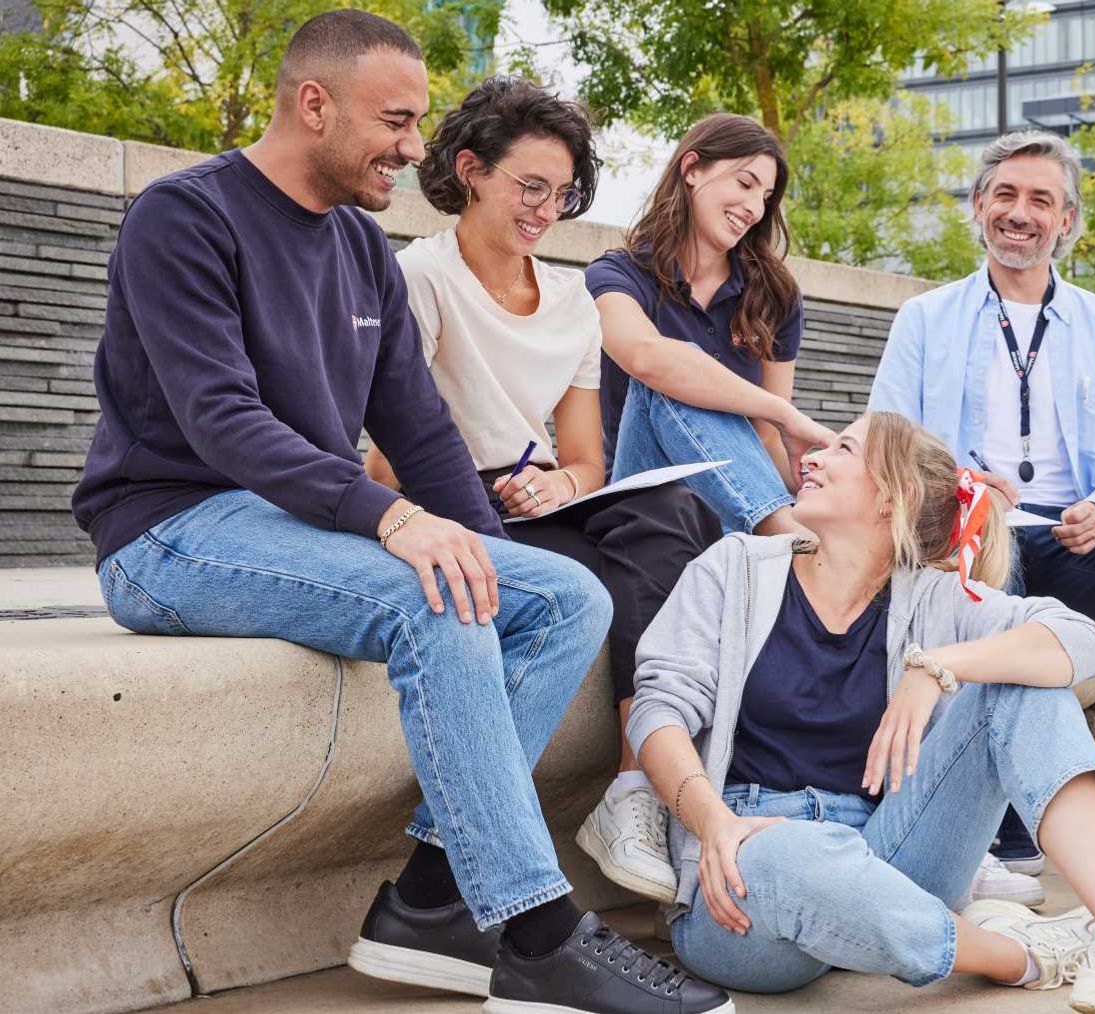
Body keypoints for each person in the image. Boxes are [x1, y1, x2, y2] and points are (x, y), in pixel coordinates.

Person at [72, 12, 729, 1014]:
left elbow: (420, 433)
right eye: (397, 120)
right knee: (435, 600)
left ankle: (428, 896)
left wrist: (494, 558)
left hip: (291, 526)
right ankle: (537, 931)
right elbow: (219, 419)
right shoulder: (185, 217)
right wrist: (391, 520)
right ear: (314, 104)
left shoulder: (359, 247)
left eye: (419, 122)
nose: (416, 147)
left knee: (566, 598)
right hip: (172, 528)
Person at [625, 410, 1095, 1014]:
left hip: (889, 847)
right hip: (740, 884)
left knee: (1019, 685)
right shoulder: (735, 567)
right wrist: (711, 822)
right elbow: (658, 709)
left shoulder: (932, 598)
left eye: (843, 449)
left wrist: (939, 667)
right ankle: (1023, 957)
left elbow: (1083, 644)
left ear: (890, 498)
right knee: (780, 851)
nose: (814, 458)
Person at [362, 76, 723, 906]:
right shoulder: (419, 279)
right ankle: (648, 783)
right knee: (643, 557)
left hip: (539, 505)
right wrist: (483, 483)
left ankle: (642, 780)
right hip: (446, 504)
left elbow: (587, 462)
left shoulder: (573, 301)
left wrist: (555, 481)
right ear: (470, 170)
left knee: (678, 517)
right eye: (531, 186)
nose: (546, 208)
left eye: (562, 194)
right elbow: (384, 463)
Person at [868, 129, 1095, 899]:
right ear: (980, 208)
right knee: (999, 596)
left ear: (1068, 222)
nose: (1021, 213)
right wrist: (955, 480)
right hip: (973, 532)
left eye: (1040, 200)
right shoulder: (926, 319)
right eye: (1005, 195)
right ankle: (1007, 828)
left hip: (1077, 532)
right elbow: (886, 437)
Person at [585, 113, 834, 540]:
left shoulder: (775, 296)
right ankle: (788, 540)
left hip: (738, 502)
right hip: (645, 500)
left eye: (766, 197)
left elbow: (766, 440)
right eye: (745, 184)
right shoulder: (614, 277)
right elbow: (645, 356)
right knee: (670, 368)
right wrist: (785, 416)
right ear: (692, 169)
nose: (756, 209)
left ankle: (788, 534)